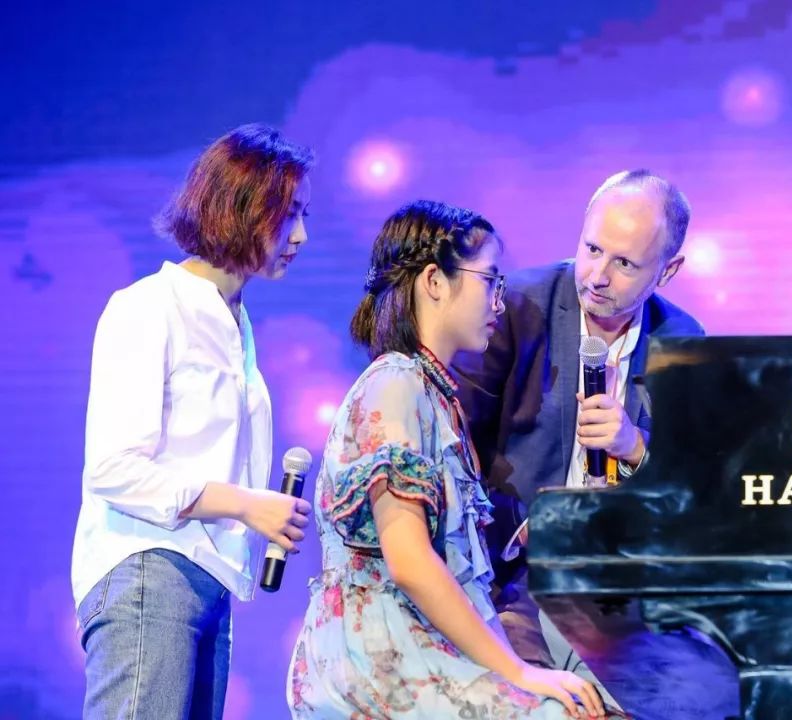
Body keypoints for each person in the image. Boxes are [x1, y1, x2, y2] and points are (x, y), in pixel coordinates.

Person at [288, 200, 610, 719]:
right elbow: (410, 563)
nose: (499, 303)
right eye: (490, 281)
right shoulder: (395, 383)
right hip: (381, 656)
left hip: (424, 643)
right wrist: (519, 672)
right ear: (435, 281)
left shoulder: (434, 396)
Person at [72, 123, 315, 720]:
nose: (301, 236)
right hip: (149, 567)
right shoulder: (150, 306)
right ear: (241, 207)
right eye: (288, 214)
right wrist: (246, 504)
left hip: (209, 580)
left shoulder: (237, 323)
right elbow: (114, 468)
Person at [452, 169, 705, 680]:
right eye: (592, 249)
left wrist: (634, 447)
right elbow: (455, 436)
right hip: (513, 578)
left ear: (667, 271)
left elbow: (694, 488)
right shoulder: (516, 306)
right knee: (537, 702)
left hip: (621, 586)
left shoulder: (683, 341)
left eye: (624, 263)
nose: (597, 276)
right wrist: (527, 524)